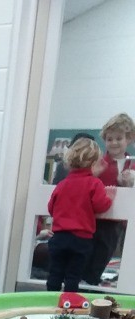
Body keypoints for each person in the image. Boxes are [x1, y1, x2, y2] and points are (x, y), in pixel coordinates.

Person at [46, 136, 113, 293]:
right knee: (73, 275)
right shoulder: (94, 183)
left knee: (55, 272)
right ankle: (69, 302)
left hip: (60, 237)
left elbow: (51, 208)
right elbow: (100, 205)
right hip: (81, 239)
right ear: (93, 162)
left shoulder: (62, 184)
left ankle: (49, 299)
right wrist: (110, 198)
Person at [83, 111, 135, 286]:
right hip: (94, 218)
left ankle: (92, 282)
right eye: (109, 139)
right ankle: (88, 285)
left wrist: (129, 184)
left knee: (105, 254)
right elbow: (84, 184)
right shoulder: (98, 162)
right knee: (88, 256)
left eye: (119, 138)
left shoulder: (132, 164)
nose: (113, 143)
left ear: (129, 139)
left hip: (117, 221)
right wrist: (93, 175)